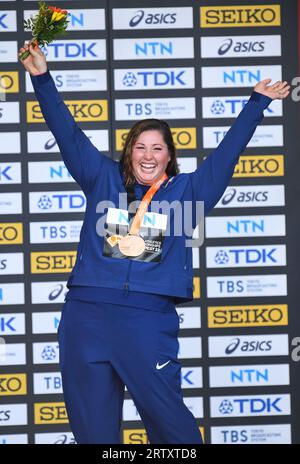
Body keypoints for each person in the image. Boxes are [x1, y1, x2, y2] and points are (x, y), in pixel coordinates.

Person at [19, 42, 290, 445]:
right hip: (85, 318)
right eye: (140, 147)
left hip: (146, 320)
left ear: (169, 156)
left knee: (174, 433)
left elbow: (226, 155)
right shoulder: (101, 178)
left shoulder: (189, 192)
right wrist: (41, 77)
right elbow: (68, 132)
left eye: (157, 148)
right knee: (93, 434)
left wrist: (256, 105)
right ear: (128, 153)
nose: (148, 155)